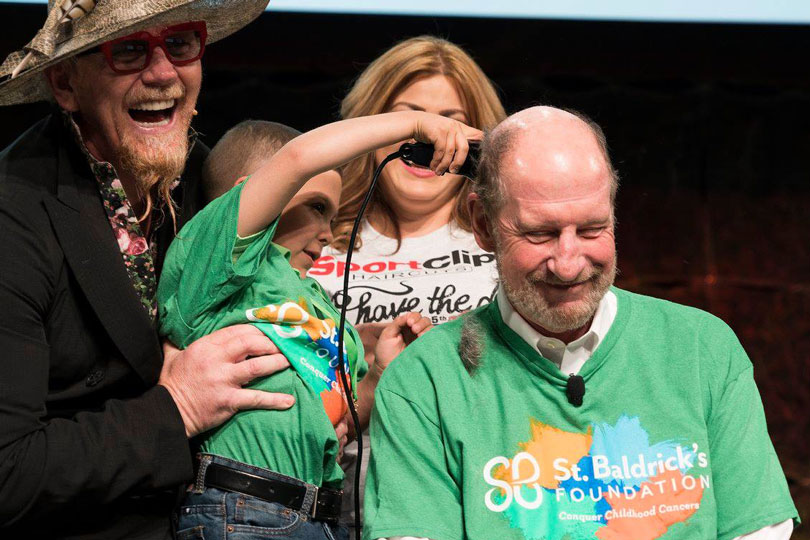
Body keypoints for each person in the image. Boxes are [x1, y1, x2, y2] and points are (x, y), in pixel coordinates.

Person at [362, 106, 799, 540]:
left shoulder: (703, 349)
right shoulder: (424, 380)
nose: (569, 264)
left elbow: (760, 529)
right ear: (483, 225)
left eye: (592, 229)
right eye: (540, 234)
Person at [0, 2, 299, 539]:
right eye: (130, 49)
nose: (163, 73)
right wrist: (177, 407)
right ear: (65, 83)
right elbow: (6, 475)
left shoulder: (209, 179)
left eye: (181, 43)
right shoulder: (12, 217)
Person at [158, 110, 477, 538]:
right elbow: (298, 158)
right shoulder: (219, 263)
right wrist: (416, 124)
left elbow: (340, 418)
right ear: (251, 194)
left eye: (331, 215)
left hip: (319, 517)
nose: (328, 232)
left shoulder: (318, 305)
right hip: (241, 510)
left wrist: (380, 374)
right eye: (316, 207)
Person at [307, 36, 506, 531]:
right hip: (335, 511)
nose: (436, 138)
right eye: (414, 118)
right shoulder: (317, 241)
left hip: (487, 502)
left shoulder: (508, 241)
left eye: (453, 122)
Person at [203, 120, 340, 275]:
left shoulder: (308, 291)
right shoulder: (214, 267)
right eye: (318, 208)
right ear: (245, 197)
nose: (329, 237)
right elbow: (296, 157)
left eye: (332, 221)